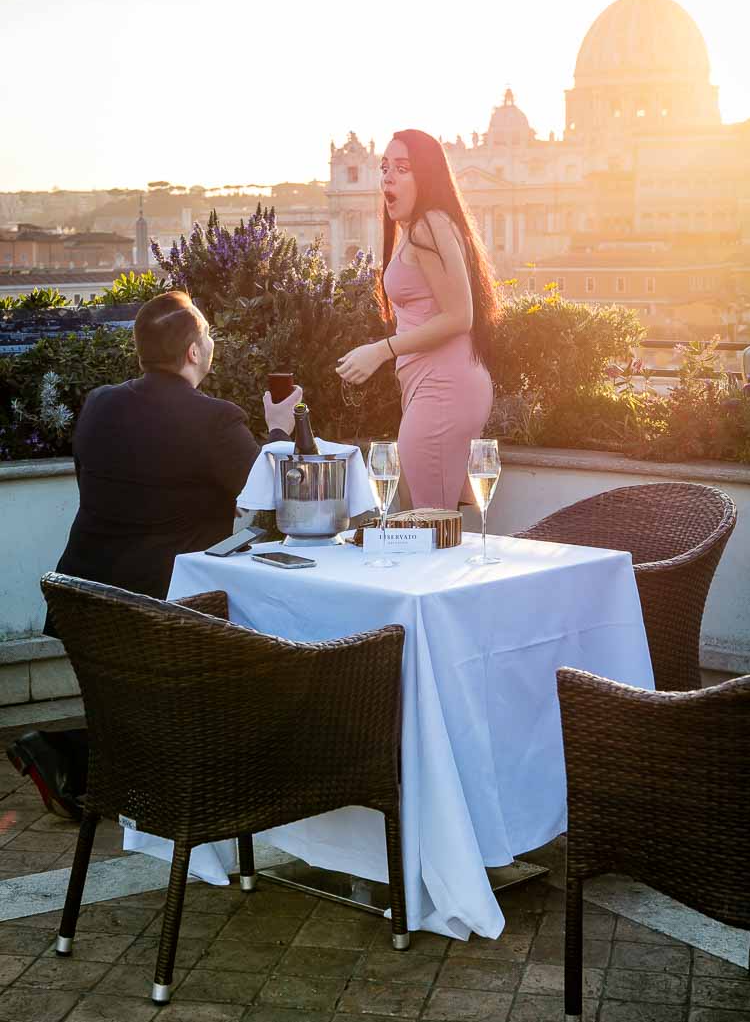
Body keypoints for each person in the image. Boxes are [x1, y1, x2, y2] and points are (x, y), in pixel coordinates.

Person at [7, 290, 301, 819]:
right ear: (193, 352)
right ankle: (79, 760)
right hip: (168, 608)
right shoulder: (213, 419)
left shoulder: (100, 403)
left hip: (87, 598)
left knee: (145, 719)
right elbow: (273, 495)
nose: (211, 342)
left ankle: (68, 760)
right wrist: (278, 426)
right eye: (208, 333)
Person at [336, 129, 499, 509]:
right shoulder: (422, 228)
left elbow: (460, 316)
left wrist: (381, 351)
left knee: (428, 523)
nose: (387, 177)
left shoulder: (430, 225)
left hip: (442, 390)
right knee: (430, 522)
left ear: (426, 176)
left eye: (402, 169)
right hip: (434, 387)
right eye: (384, 167)